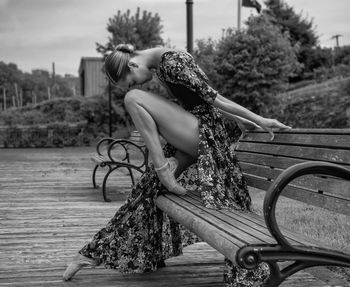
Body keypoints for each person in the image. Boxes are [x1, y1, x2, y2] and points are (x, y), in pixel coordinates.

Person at [63, 44, 291, 285]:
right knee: (147, 191)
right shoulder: (162, 65)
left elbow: (214, 97)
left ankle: (163, 169)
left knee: (133, 99)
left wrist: (258, 119)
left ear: (132, 64)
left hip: (207, 136)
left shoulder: (172, 63)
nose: (137, 85)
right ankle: (90, 254)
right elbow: (203, 100)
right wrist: (239, 120)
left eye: (131, 81)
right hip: (198, 133)